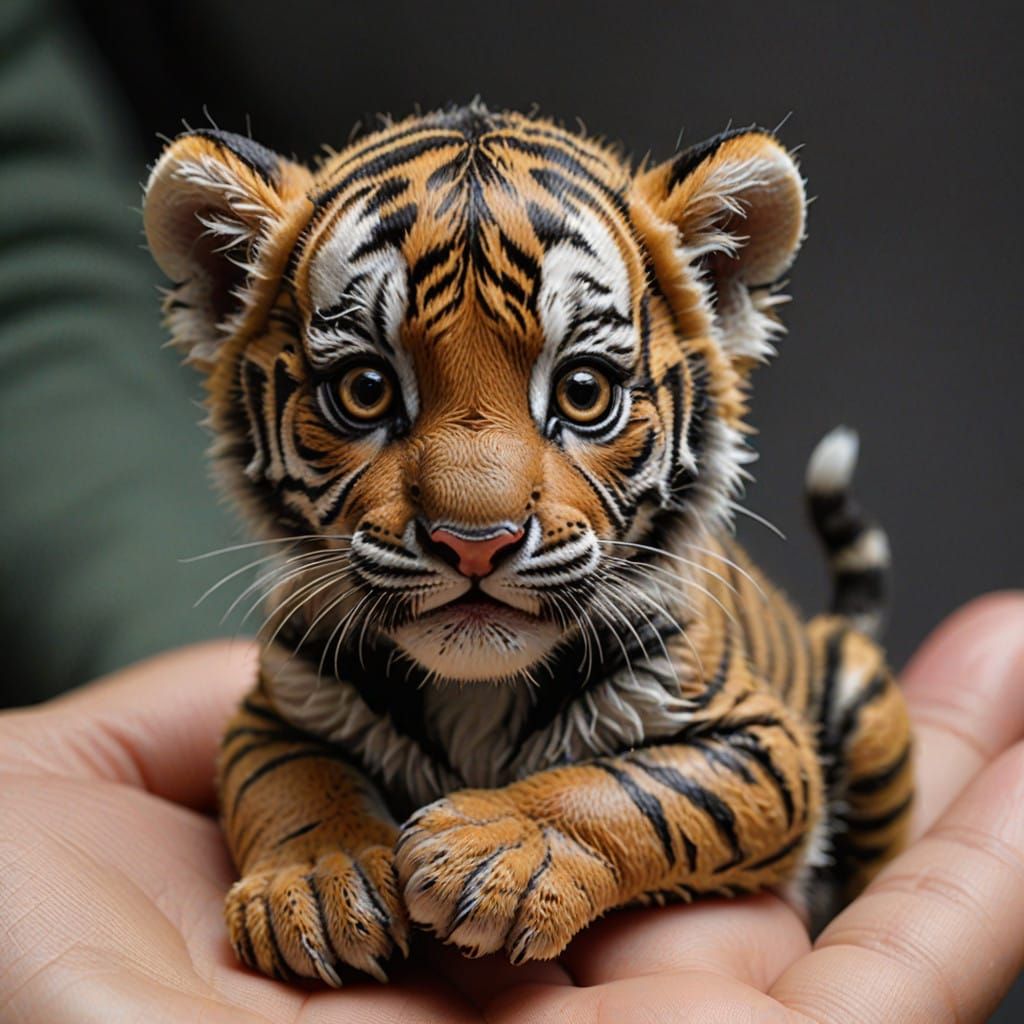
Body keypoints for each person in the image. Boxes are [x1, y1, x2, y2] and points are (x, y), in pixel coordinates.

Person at [2, 593, 1022, 1022]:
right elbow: (269, 736)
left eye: (581, 392)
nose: (476, 508)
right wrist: (306, 838)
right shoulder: (311, 626)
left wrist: (576, 835)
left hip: (789, 724)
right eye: (368, 390)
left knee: (856, 698)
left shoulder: (663, 614)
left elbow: (768, 774)